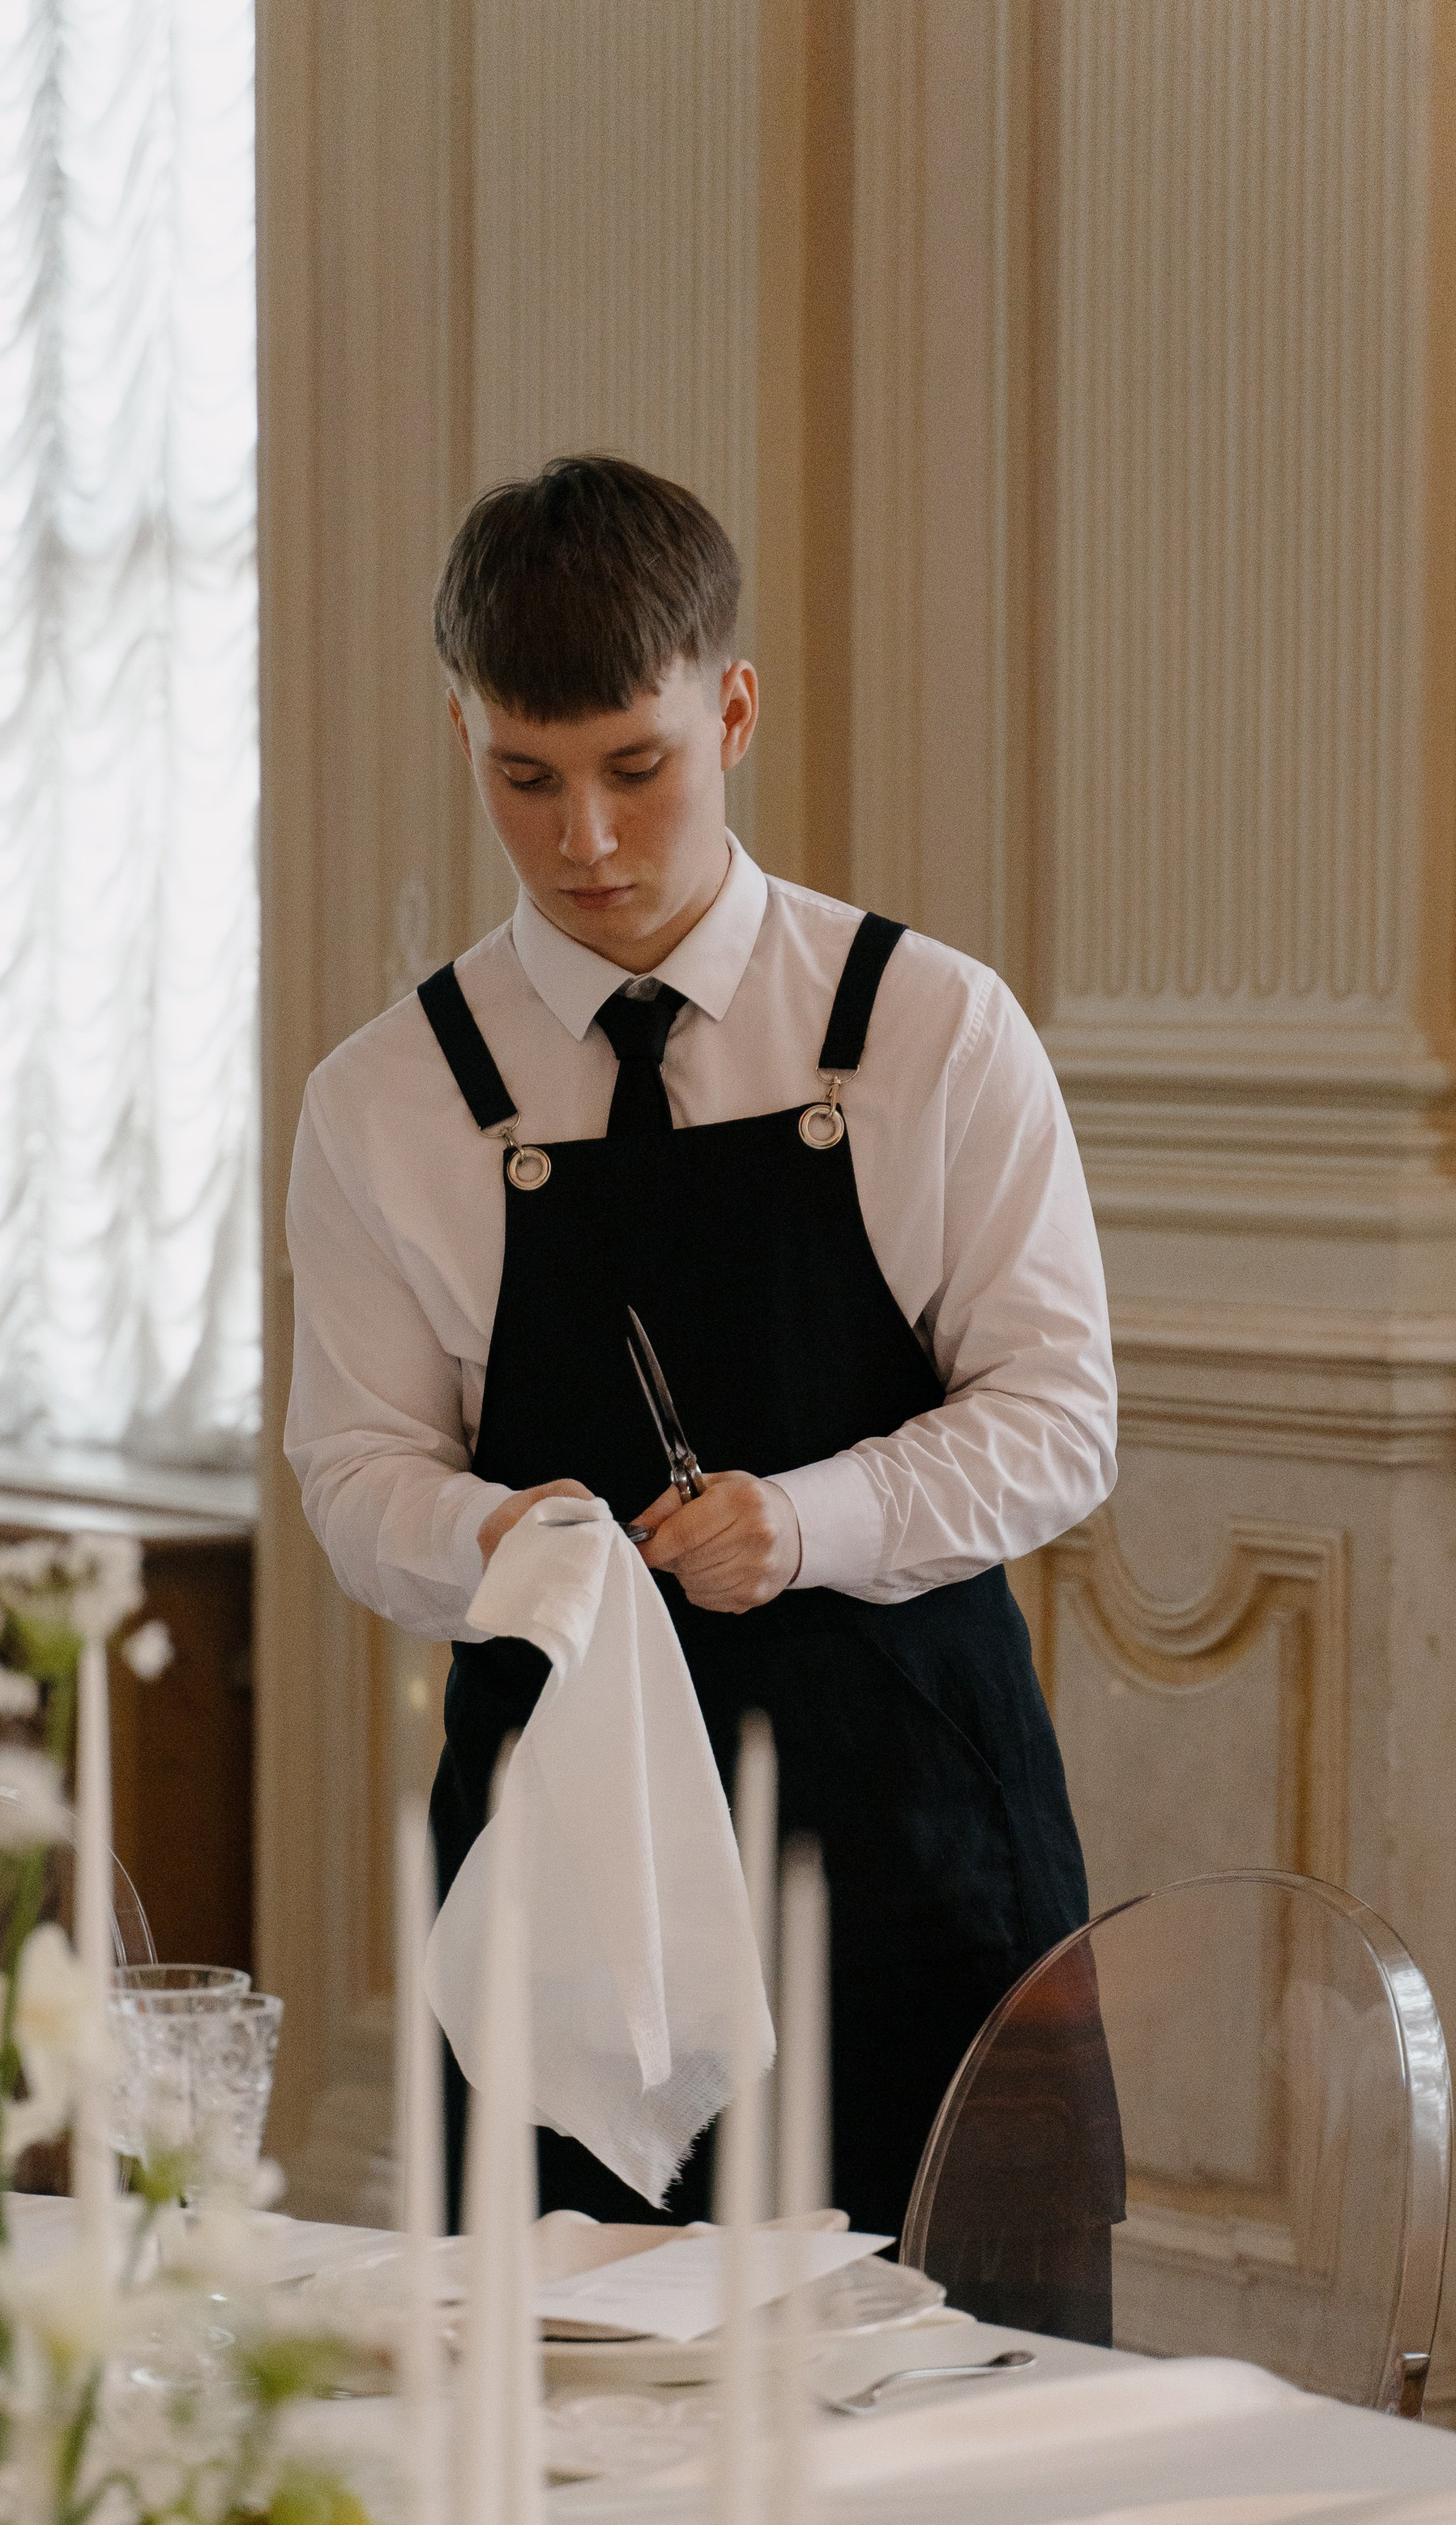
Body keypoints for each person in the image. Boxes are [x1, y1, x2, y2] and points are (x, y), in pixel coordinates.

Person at [284, 454, 1117, 2249]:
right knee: (559, 2460)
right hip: (566, 1877)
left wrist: (801, 1523)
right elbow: (354, 1474)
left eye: (632, 770)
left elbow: (1059, 1422)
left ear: (729, 711)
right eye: (526, 778)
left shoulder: (924, 1027)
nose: (581, 839)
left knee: (974, 2424)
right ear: (464, 737)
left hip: (915, 1848)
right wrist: (495, 1540)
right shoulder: (384, 1098)